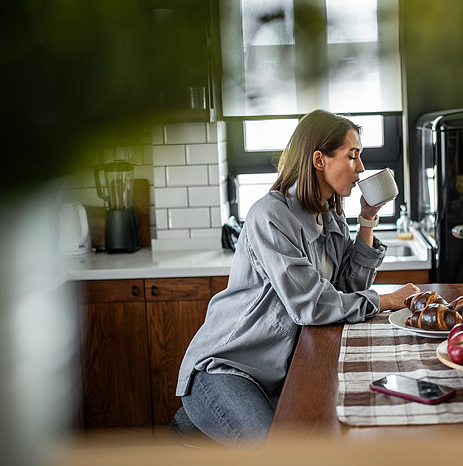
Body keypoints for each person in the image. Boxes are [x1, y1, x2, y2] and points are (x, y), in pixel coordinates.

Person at [175, 109, 420, 445]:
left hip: (281, 374)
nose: (361, 168)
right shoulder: (270, 215)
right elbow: (312, 306)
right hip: (229, 368)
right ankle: (195, 413)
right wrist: (384, 300)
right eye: (353, 156)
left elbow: (345, 291)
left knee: (333, 435)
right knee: (284, 453)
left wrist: (367, 219)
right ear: (319, 159)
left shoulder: (331, 215)